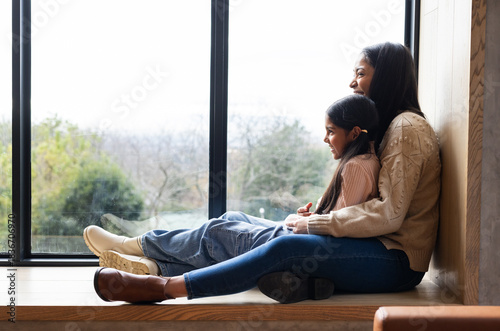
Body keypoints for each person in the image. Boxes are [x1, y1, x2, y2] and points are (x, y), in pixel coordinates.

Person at [89, 41, 441, 305]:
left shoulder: (407, 128)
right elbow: (366, 200)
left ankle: (161, 285)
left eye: (361, 73)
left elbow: (389, 214)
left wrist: (314, 224)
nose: (352, 83)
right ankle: (154, 263)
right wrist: (316, 214)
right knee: (234, 218)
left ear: (388, 76)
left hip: (394, 260)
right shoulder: (388, 129)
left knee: (282, 244)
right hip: (372, 247)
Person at [85, 94, 381, 303]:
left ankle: (135, 245)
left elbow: (339, 229)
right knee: (231, 219)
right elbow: (342, 217)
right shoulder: (362, 162)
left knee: (217, 231)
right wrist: (310, 217)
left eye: (331, 132)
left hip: (305, 243)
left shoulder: (356, 166)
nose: (326, 139)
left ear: (354, 132)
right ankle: (155, 268)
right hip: (308, 237)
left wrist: (299, 221)